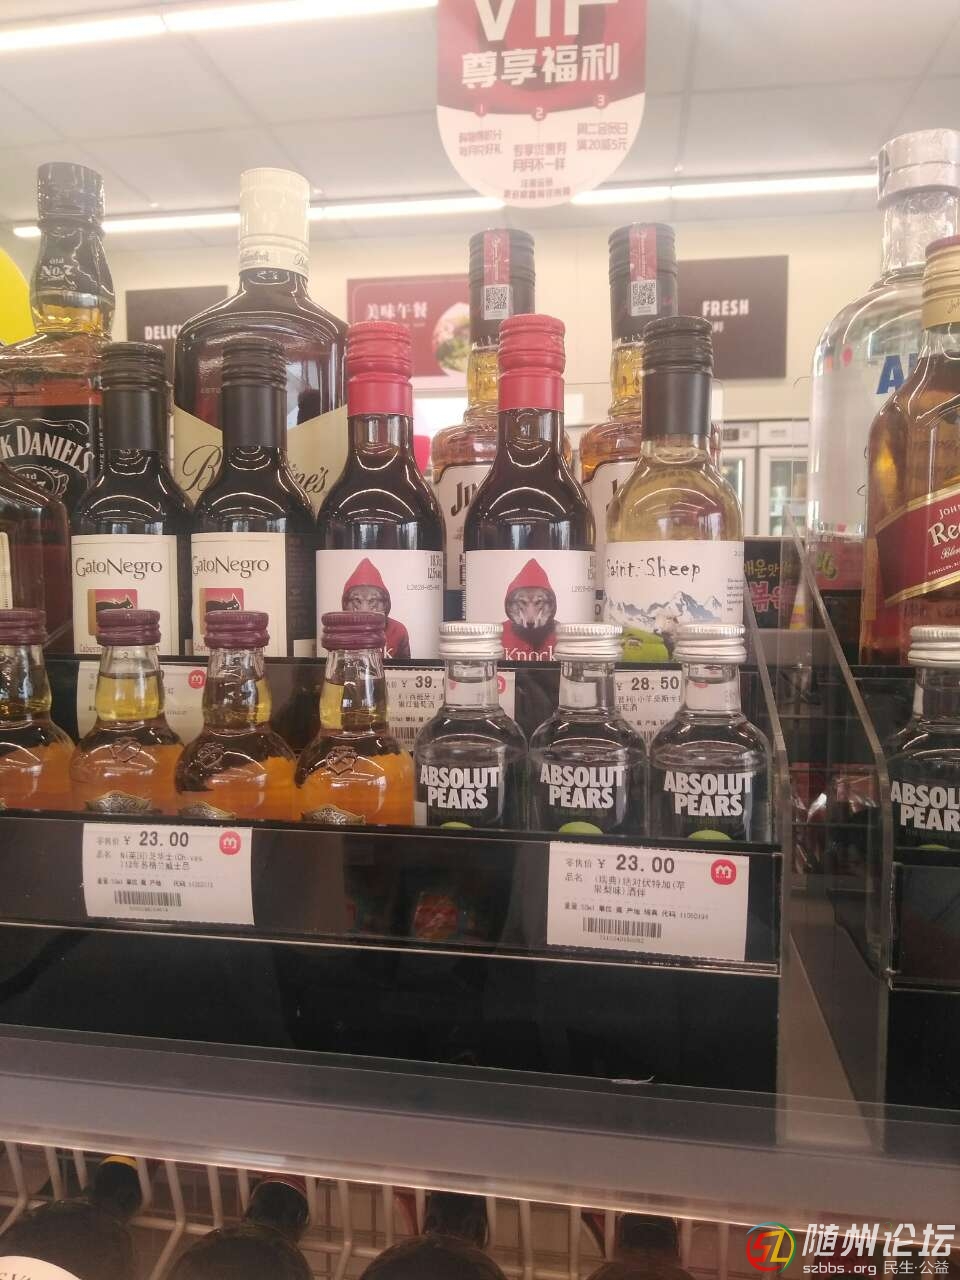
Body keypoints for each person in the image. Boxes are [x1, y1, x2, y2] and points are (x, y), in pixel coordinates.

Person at [341, 557, 411, 660]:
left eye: (372, 600)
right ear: (345, 603)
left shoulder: (398, 630)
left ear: (385, 603)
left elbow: (406, 667)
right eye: (357, 600)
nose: (364, 610)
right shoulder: (338, 633)